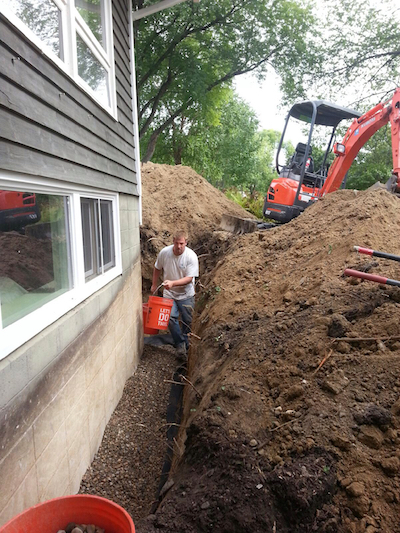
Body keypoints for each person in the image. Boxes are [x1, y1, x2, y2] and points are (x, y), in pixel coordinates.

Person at [151, 230, 199, 359]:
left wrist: (173, 283)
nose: (179, 246)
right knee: (171, 318)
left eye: (182, 243)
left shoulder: (191, 256)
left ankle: (187, 345)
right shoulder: (165, 253)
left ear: (186, 243)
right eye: (177, 243)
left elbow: (189, 278)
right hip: (169, 294)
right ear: (173, 241)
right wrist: (154, 284)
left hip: (186, 294)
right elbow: (157, 268)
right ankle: (180, 345)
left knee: (187, 321)